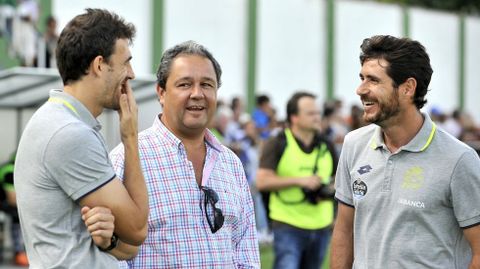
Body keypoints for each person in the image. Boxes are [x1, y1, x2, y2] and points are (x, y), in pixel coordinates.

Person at [14, 9, 149, 268]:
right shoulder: (69, 134)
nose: (131, 74)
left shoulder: (63, 122)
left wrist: (109, 239)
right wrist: (130, 137)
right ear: (99, 65)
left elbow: (128, 247)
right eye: (126, 62)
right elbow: (137, 228)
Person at [331, 35, 480, 269]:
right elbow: (344, 231)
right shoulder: (353, 144)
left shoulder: (459, 159)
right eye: (362, 78)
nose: (360, 90)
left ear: (408, 88)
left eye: (373, 80)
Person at [109, 40, 260, 268]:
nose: (197, 94)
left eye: (207, 85)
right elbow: (113, 256)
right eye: (185, 84)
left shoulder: (231, 164)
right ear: (161, 92)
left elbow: (245, 251)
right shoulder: (128, 159)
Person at [256, 92, 338, 269]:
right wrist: (301, 181)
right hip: (288, 224)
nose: (317, 117)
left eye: (318, 113)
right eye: (310, 113)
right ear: (294, 117)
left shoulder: (327, 145)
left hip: (321, 225)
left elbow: (339, 180)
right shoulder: (277, 142)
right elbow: (262, 181)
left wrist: (327, 190)